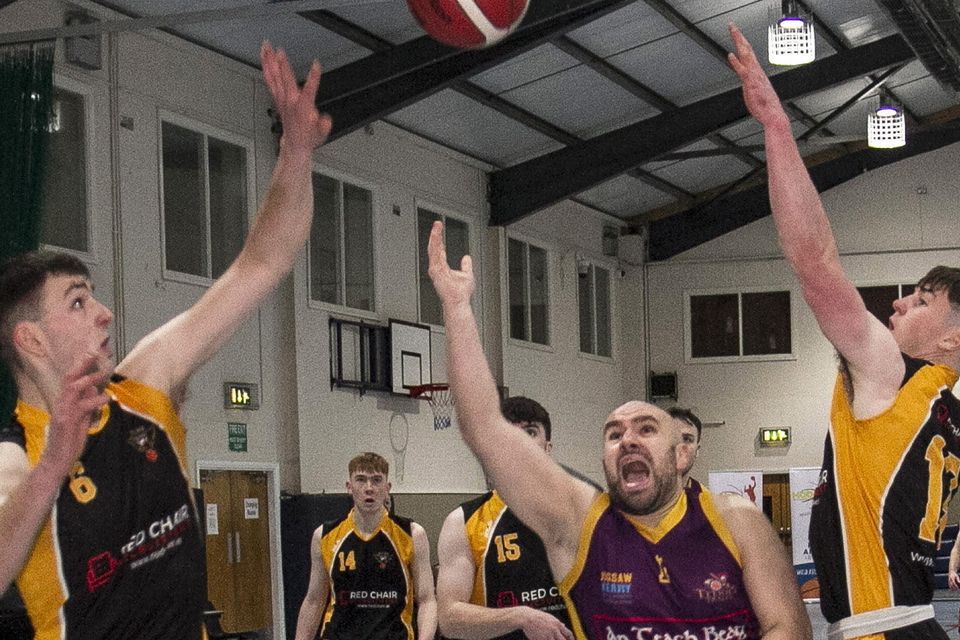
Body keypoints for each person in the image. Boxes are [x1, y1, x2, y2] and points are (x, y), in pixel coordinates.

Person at [0, 42, 332, 639]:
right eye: (78, 301)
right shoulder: (15, 460)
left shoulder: (144, 387)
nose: (103, 314)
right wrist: (54, 464)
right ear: (32, 340)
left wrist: (296, 154)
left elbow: (259, 265)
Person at [426, 222, 810, 640]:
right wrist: (457, 309)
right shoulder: (582, 523)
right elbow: (483, 427)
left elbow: (786, 627)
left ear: (681, 454)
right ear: (605, 458)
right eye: (613, 434)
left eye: (646, 429)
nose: (627, 439)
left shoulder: (736, 520)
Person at [728, 23, 960, 640]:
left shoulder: (894, 374)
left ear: (951, 341)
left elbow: (815, 261)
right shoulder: (949, 412)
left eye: (926, 298)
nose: (902, 300)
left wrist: (778, 128)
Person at [436, 396, 574, 640]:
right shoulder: (464, 522)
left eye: (531, 432)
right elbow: (449, 618)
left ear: (548, 447)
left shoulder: (580, 514)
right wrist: (521, 617)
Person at [294, 452, 436, 640]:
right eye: (361, 480)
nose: (369, 488)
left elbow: (427, 600)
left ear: (387, 488)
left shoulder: (412, 534)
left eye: (376, 480)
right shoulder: (324, 535)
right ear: (349, 487)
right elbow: (314, 601)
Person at [668, 406, 702, 485]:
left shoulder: (707, 497)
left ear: (697, 450)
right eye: (671, 437)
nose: (678, 446)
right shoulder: (636, 494)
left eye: (687, 439)